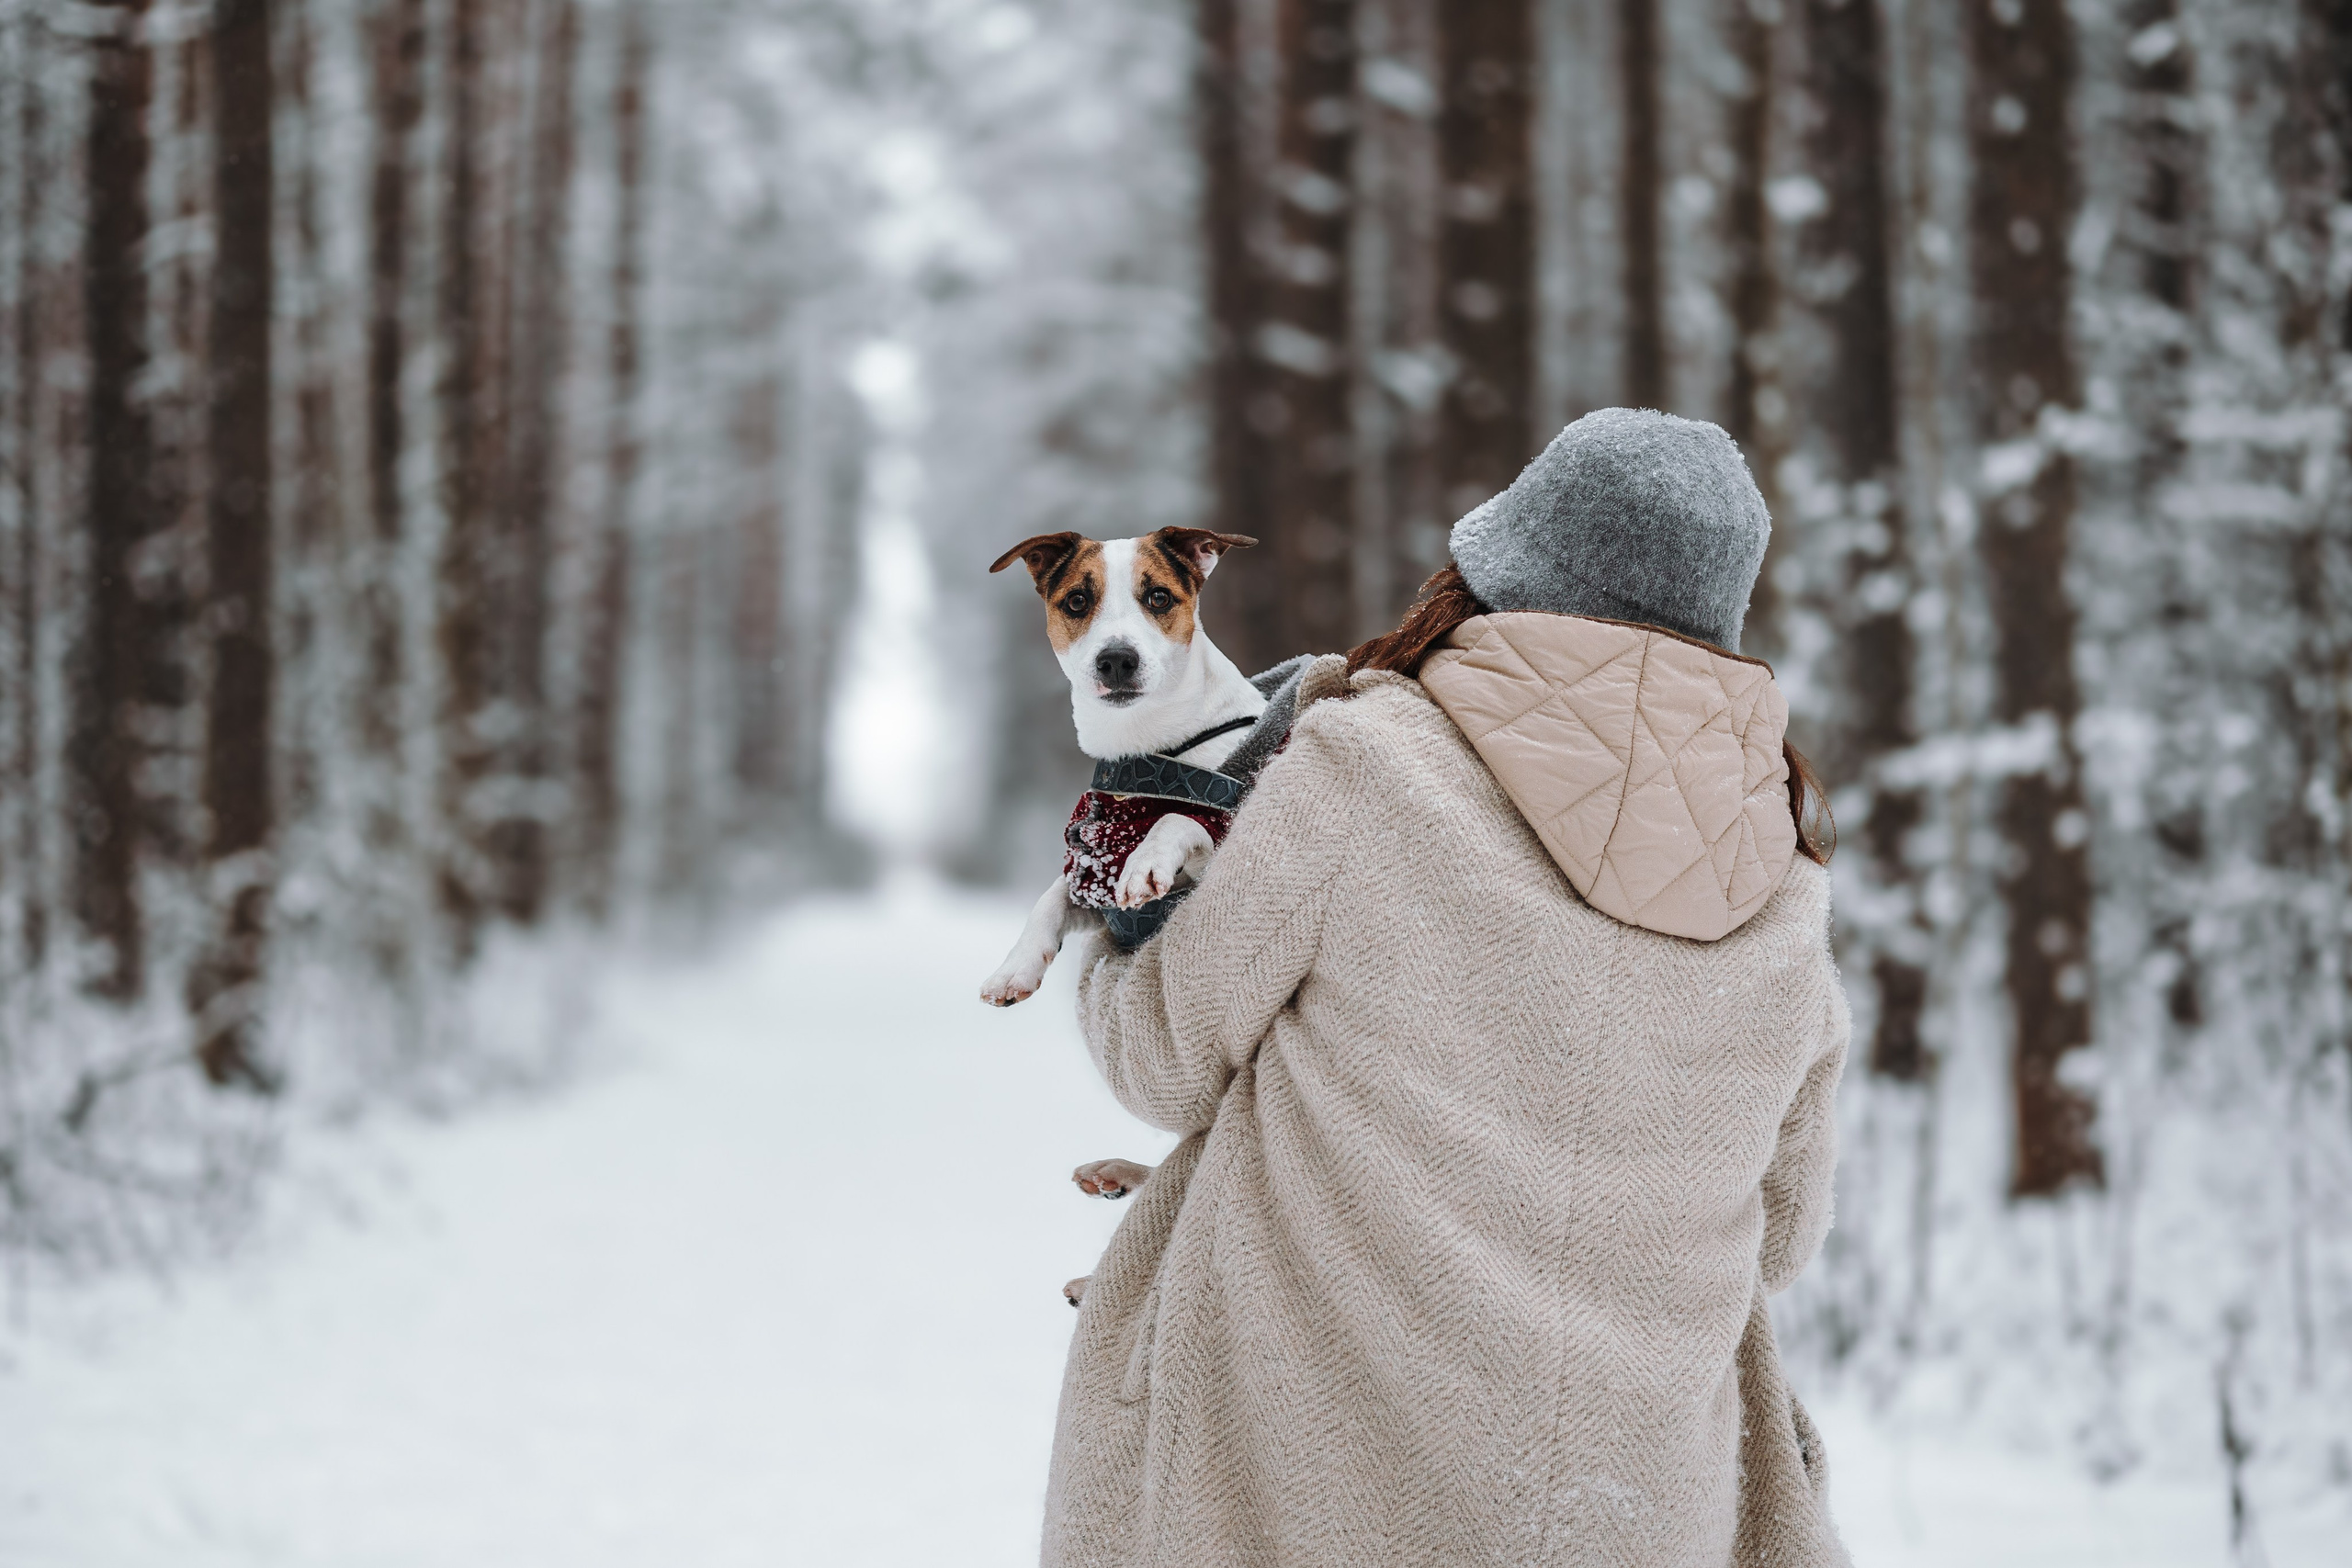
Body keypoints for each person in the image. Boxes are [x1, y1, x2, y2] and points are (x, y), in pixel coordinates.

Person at [1042, 408, 1851, 1568]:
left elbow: (1165, 1057)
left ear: (1491, 572)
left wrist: (1116, 906)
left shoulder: (1366, 764)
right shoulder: (1782, 871)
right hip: (1630, 1502)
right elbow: (1777, 1239)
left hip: (1316, 1474)